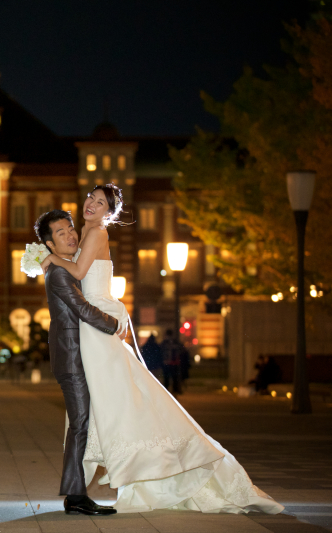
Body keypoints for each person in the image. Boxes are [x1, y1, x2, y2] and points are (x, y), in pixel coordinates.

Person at [38, 188, 283, 514]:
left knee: (115, 403)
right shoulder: (83, 234)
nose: (92, 205)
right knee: (104, 406)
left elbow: (80, 273)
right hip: (91, 329)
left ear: (109, 212)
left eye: (101, 203)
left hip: (97, 328)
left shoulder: (96, 232)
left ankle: (112, 474)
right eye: (91, 198)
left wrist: (50, 258)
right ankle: (86, 485)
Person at [35, 210, 123, 516]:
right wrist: (115, 324)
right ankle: (75, 496)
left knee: (82, 423)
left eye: (70, 229)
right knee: (80, 423)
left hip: (78, 354)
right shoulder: (59, 274)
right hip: (71, 358)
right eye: (61, 233)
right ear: (50, 244)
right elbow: (82, 309)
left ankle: (76, 494)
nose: (71, 236)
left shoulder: (66, 268)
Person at [160, 329, 185, 395]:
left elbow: (160, 351)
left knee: (167, 378)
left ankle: (166, 391)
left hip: (166, 363)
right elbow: (182, 349)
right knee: (174, 378)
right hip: (174, 363)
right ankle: (174, 391)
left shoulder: (164, 343)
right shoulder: (176, 342)